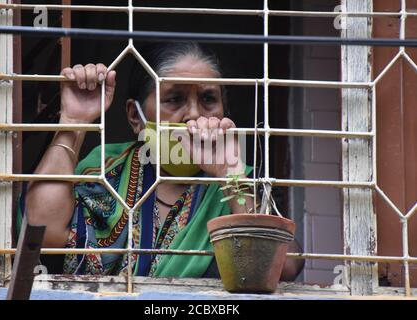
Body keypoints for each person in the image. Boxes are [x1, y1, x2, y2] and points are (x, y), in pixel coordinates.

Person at [20, 42, 304, 279]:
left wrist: (230, 173)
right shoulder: (106, 168)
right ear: (135, 116)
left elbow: (285, 267)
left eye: (208, 99)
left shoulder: (244, 184)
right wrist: (73, 122)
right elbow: (42, 230)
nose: (193, 114)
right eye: (174, 99)